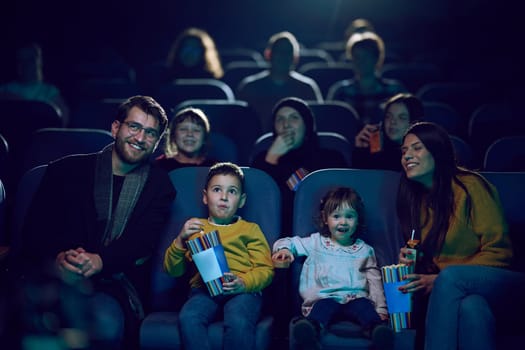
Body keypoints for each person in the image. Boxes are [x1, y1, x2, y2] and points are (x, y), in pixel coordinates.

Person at [8, 95, 176, 349]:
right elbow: (34, 232)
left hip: (112, 285)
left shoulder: (160, 185)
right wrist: (60, 258)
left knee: (101, 321)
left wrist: (100, 261)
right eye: (134, 127)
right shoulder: (64, 171)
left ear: (157, 143)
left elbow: (143, 241)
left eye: (150, 133)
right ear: (115, 128)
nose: (140, 138)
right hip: (50, 278)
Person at [396, 121, 525, 350]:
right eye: (404, 150)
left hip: (503, 281)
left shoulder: (470, 186)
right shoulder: (417, 200)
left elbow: (501, 253)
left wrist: (442, 279)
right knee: (472, 308)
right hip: (461, 290)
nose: (408, 156)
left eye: (417, 148)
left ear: (437, 151)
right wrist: (411, 262)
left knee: (452, 278)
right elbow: (436, 263)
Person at [163, 162, 274, 350]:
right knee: (189, 317)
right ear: (205, 197)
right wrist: (181, 240)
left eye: (232, 192)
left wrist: (244, 282)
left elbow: (265, 270)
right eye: (217, 190)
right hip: (204, 291)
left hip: (242, 291)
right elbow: (173, 271)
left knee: (238, 318)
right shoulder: (195, 228)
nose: (224, 197)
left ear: (241, 200)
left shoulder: (250, 230)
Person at [272, 187, 393, 350]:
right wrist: (284, 250)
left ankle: (377, 330)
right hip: (324, 298)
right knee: (322, 308)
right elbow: (289, 242)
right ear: (325, 218)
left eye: (349, 217)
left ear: (358, 220)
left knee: (364, 307)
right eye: (336, 216)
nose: (343, 222)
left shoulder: (365, 250)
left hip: (354, 298)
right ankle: (310, 330)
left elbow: (374, 281)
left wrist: (381, 309)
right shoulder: (315, 242)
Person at [250, 97, 347, 234]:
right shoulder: (262, 159)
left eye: (294, 118)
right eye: (280, 119)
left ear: (306, 125)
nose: (286, 125)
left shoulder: (330, 158)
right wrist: (271, 159)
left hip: (322, 233)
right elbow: (259, 205)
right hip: (275, 233)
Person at [236, 31, 323, 132]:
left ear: (295, 58)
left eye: (288, 52)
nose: (283, 57)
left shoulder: (307, 87)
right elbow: (240, 126)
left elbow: (315, 125)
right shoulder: (249, 87)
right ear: (268, 55)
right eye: (279, 52)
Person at [327, 31, 407, 124]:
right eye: (356, 57)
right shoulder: (340, 91)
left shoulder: (395, 91)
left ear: (376, 58)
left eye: (366, 56)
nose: (361, 61)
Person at [0, 42, 70, 125]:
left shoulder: (50, 91)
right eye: (20, 61)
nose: (25, 65)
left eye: (29, 60)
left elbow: (62, 121)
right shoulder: (5, 89)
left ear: (39, 62)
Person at [352, 93, 423, 171]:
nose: (392, 122)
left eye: (401, 118)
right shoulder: (378, 150)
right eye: (388, 116)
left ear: (414, 123)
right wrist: (360, 151)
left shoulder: (420, 155)